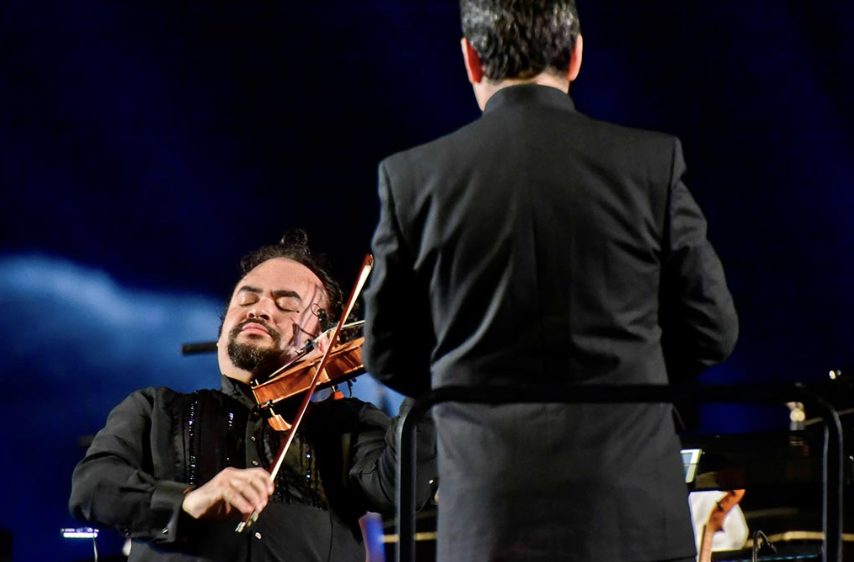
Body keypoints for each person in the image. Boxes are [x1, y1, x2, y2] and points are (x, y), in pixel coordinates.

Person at [362, 1, 739, 561]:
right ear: (577, 55)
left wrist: (468, 388)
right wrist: (630, 382)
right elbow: (712, 330)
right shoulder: (650, 162)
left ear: (469, 59)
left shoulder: (414, 178)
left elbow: (387, 351)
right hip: (630, 507)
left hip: (489, 512)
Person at [69, 231, 436, 562]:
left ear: (326, 337)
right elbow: (93, 486)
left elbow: (399, 487)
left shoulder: (349, 423)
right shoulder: (155, 408)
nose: (260, 309)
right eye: (246, 299)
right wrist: (188, 502)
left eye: (287, 304)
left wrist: (426, 376)